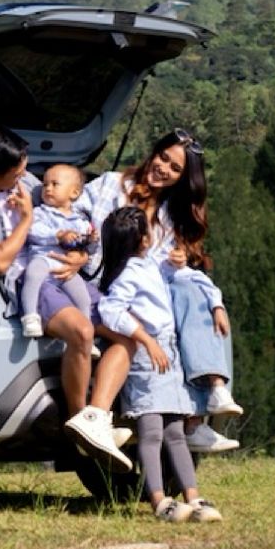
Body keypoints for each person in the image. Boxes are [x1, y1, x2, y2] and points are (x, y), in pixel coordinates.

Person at [0, 126, 134, 471]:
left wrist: (81, 254)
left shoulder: (23, 179)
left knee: (126, 333)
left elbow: (65, 213)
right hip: (30, 279)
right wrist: (27, 218)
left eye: (25, 168)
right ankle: (79, 421)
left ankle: (95, 418)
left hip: (63, 270)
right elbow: (0, 261)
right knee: (82, 331)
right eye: (16, 173)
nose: (27, 179)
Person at [80, 128, 243, 453]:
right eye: (163, 158)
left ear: (182, 178)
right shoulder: (109, 184)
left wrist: (212, 299)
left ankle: (199, 412)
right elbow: (71, 214)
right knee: (167, 320)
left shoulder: (168, 218)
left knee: (193, 302)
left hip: (140, 296)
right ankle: (187, 419)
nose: (163, 168)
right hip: (98, 288)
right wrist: (77, 239)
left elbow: (159, 275)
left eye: (175, 168)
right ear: (154, 153)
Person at [95, 205, 224, 521]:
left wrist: (182, 266)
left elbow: (178, 275)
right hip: (147, 356)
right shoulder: (128, 273)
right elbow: (111, 310)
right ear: (142, 239)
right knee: (151, 430)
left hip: (168, 354)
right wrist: (145, 338)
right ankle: (158, 500)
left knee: (175, 431)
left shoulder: (149, 264)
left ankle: (192, 497)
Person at [18, 164, 97, 338]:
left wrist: (91, 240)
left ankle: (88, 333)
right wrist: (57, 235)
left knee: (83, 297)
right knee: (33, 275)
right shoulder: (39, 212)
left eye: (55, 184)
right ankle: (30, 316)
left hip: (65, 267)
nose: (48, 188)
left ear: (74, 193)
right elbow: (32, 231)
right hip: (43, 257)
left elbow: (86, 249)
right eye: (45, 184)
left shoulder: (80, 222)